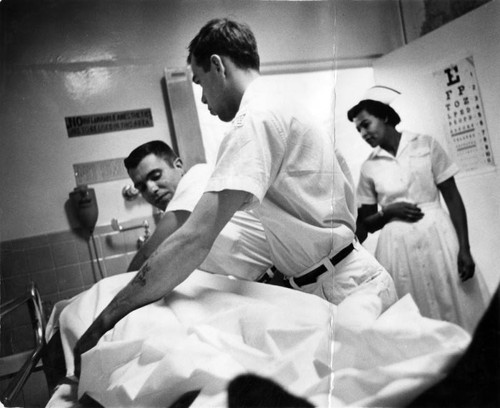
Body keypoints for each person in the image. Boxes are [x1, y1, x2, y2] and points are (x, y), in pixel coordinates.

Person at [74, 18, 397, 375]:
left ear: (217, 66)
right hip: (338, 280)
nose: (202, 97)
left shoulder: (254, 121)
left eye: (200, 83)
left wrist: (106, 318)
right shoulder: (286, 104)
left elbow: (193, 240)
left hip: (345, 289)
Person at [347, 99, 488, 333]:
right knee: (413, 305)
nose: (363, 133)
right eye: (358, 129)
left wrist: (464, 248)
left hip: (439, 239)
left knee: (453, 297)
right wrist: (389, 212)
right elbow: (367, 223)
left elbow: (452, 198)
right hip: (398, 249)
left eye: (366, 124)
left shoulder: (425, 144)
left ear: (383, 117)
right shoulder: (368, 167)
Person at [123, 140, 274, 282]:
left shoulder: (197, 179)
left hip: (282, 274)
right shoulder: (181, 216)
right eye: (142, 187)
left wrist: (115, 295)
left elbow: (146, 257)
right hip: (266, 284)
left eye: (156, 176)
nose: (151, 189)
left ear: (178, 165)